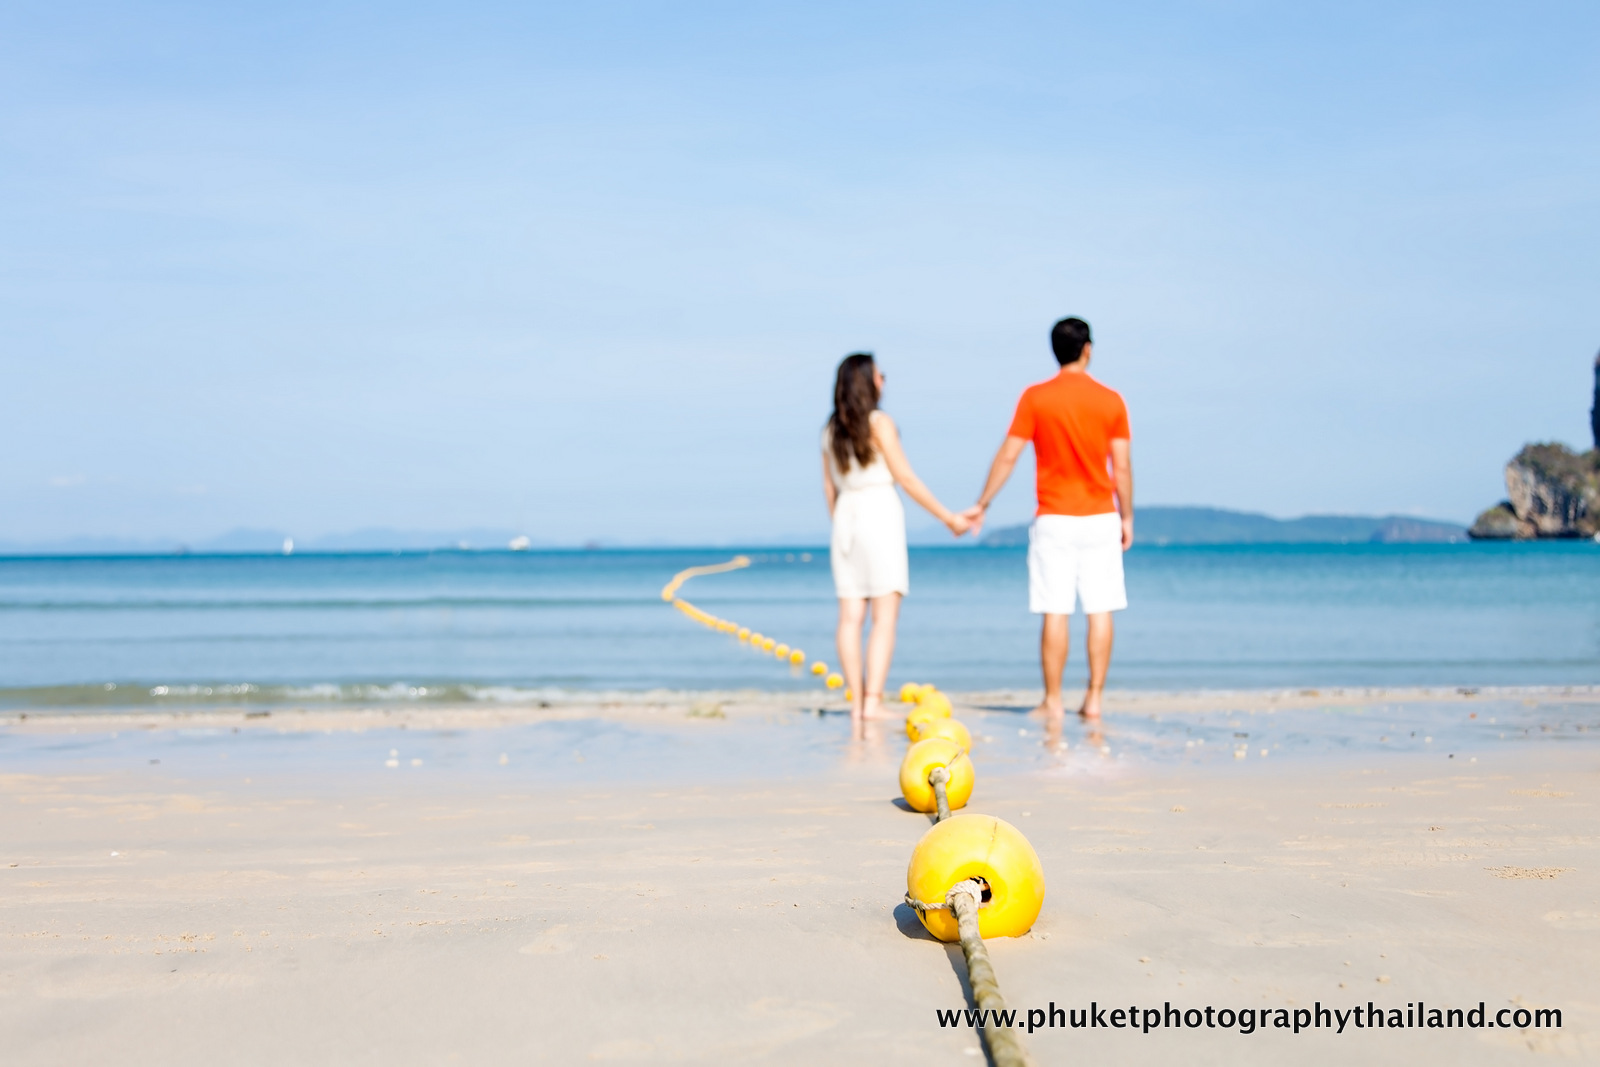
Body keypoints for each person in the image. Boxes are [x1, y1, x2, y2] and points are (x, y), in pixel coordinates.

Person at [965, 318, 1133, 721]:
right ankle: (1093, 699)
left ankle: (1054, 701)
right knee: (1101, 609)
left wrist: (983, 502)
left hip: (1054, 517)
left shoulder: (1035, 398)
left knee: (1055, 610)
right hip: (1099, 516)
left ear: (1054, 349)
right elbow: (1122, 468)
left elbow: (1009, 455)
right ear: (1087, 349)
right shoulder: (1111, 400)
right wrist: (1126, 515)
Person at [823, 352, 970, 726]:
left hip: (845, 519)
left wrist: (841, 524)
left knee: (850, 617)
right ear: (867, 382)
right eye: (880, 375)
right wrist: (948, 517)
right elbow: (905, 477)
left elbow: (830, 491)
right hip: (878, 513)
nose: (884, 381)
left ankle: (857, 704)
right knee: (884, 617)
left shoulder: (830, 430)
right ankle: (872, 701)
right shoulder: (879, 423)